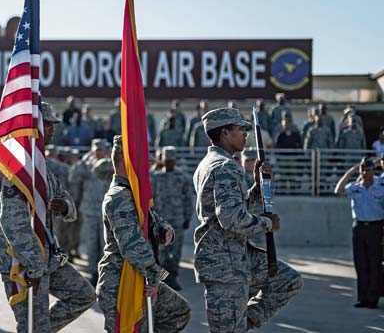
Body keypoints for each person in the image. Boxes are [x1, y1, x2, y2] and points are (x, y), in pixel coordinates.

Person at [193, 108, 302, 332]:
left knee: (287, 280)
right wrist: (268, 223)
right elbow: (231, 219)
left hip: (234, 258)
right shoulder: (225, 167)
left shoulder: (210, 163)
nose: (245, 133)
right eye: (240, 129)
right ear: (225, 133)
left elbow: (232, 210)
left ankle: (244, 322)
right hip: (225, 265)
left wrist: (256, 188)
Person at [0, 102, 95, 332]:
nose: (53, 129)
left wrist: (65, 207)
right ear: (32, 128)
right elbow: (13, 224)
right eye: (47, 124)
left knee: (83, 295)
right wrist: (34, 266)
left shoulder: (42, 168)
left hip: (46, 254)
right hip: (21, 261)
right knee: (30, 323)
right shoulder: (16, 171)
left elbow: (67, 201)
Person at [97, 135, 191, 332]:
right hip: (121, 281)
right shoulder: (119, 198)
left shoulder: (133, 193)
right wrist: (155, 277)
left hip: (141, 274)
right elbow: (133, 247)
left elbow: (152, 219)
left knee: (179, 312)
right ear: (125, 161)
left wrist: (165, 230)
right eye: (140, 161)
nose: (146, 167)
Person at [334, 158, 384, 309]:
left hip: (376, 227)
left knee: (374, 264)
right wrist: (351, 171)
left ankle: (373, 299)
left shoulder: (381, 185)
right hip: (359, 227)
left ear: (373, 170)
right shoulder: (355, 186)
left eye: (368, 169)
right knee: (360, 264)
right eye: (363, 169)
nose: (365, 172)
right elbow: (338, 190)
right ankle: (363, 298)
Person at [68, 139, 112, 285]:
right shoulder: (86, 166)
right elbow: (73, 176)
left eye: (101, 149)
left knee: (105, 243)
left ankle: (105, 272)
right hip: (89, 210)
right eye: (96, 150)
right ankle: (94, 271)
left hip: (106, 212)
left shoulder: (110, 165)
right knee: (91, 243)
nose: (98, 152)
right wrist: (83, 161)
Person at [150, 146, 193, 291]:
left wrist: (188, 217)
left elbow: (187, 199)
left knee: (176, 252)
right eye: (166, 160)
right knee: (160, 253)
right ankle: (162, 280)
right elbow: (151, 199)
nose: (169, 163)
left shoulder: (182, 177)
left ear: (175, 161)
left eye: (171, 161)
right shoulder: (155, 176)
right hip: (160, 221)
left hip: (177, 219)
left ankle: (173, 277)